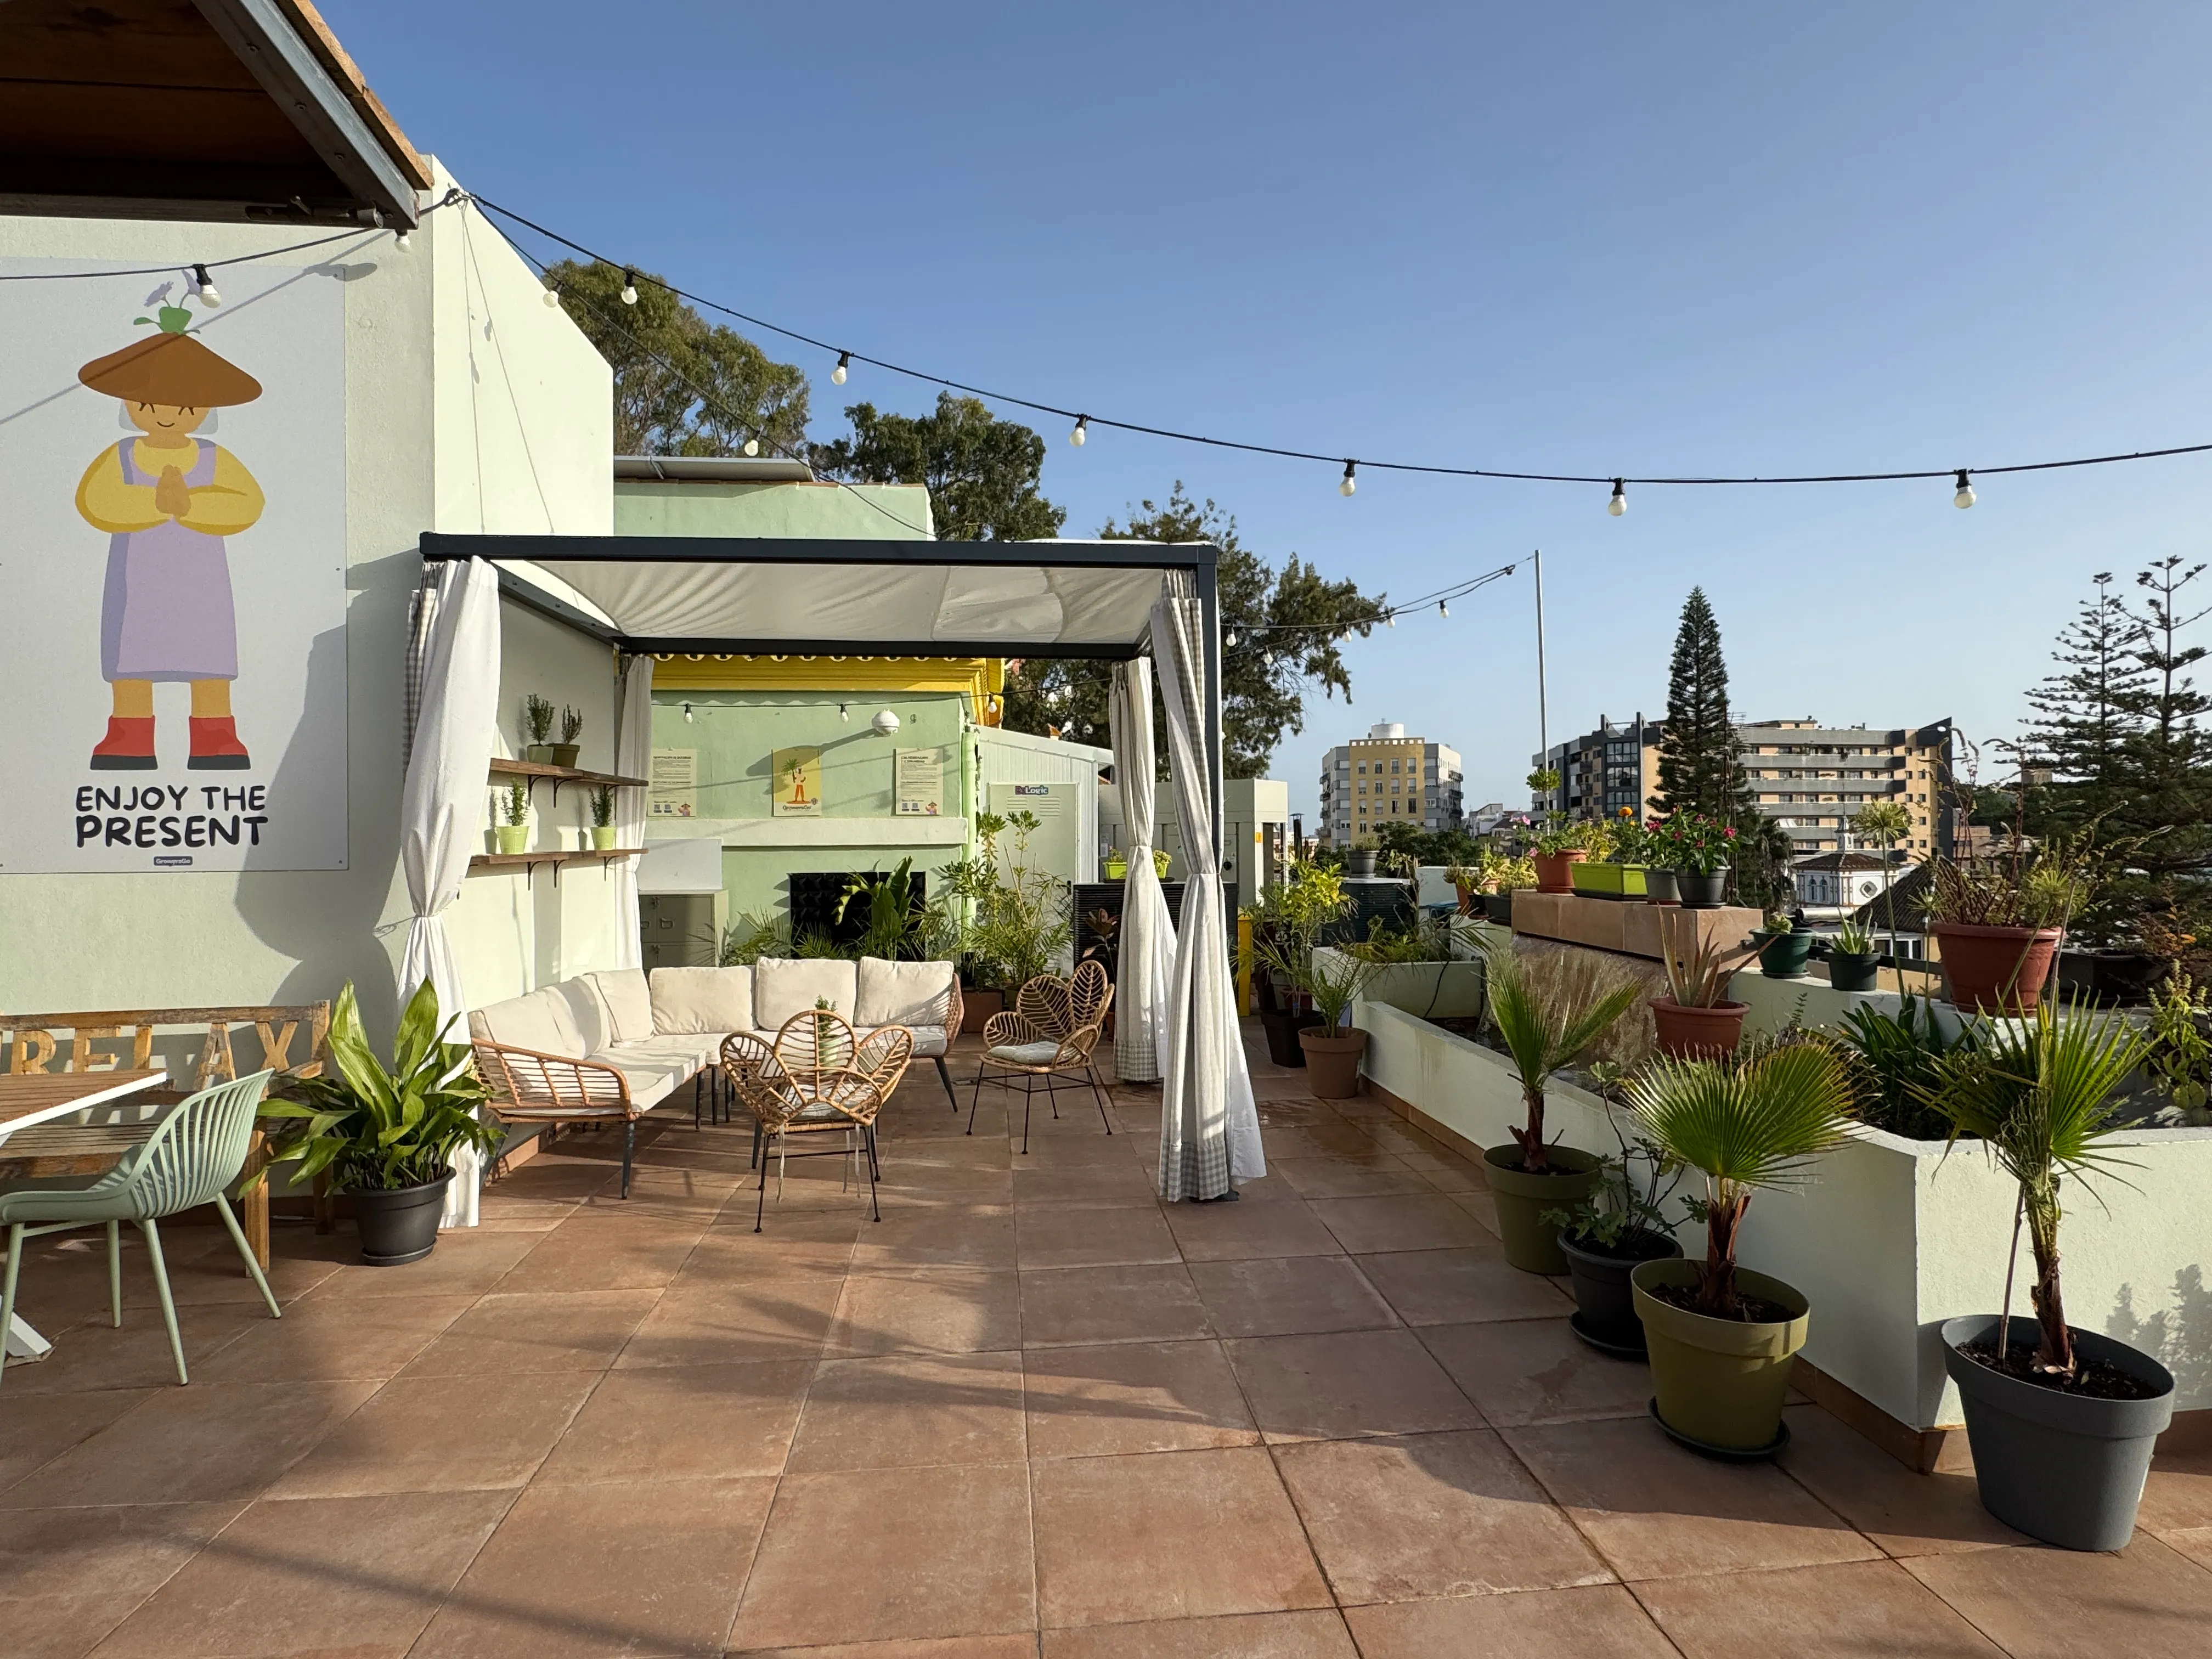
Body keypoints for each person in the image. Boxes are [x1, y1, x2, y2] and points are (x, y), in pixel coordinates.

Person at [75, 285, 264, 770]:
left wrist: (190, 504)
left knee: (208, 660)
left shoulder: (213, 458)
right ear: (132, 403)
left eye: (183, 406)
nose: (166, 414)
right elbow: (96, 500)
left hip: (202, 586)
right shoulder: (120, 456)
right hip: (136, 580)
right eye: (152, 403)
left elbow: (247, 504)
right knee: (131, 659)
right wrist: (155, 502)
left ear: (203, 409)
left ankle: (217, 739)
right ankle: (129, 740)